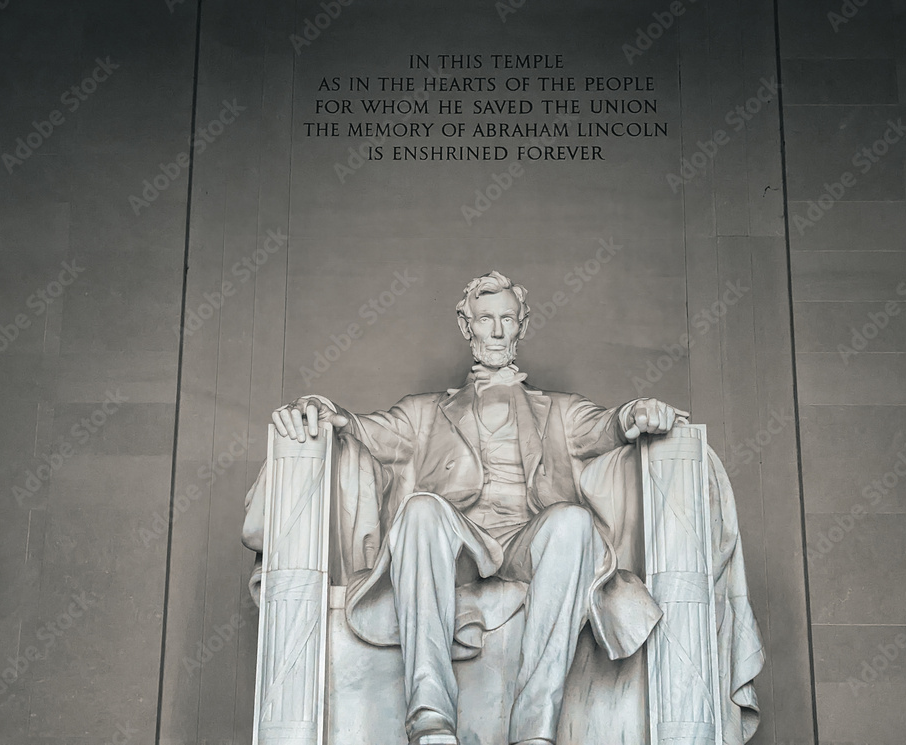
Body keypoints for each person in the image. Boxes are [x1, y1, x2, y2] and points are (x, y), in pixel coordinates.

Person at [271, 271, 684, 745]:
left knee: (573, 520)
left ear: (522, 325)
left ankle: (535, 729)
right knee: (421, 509)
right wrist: (321, 407)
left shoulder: (560, 410)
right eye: (485, 319)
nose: (496, 330)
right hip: (458, 544)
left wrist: (637, 412)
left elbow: (609, 426)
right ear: (467, 327)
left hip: (529, 543)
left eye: (507, 319)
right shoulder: (424, 412)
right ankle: (430, 719)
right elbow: (362, 429)